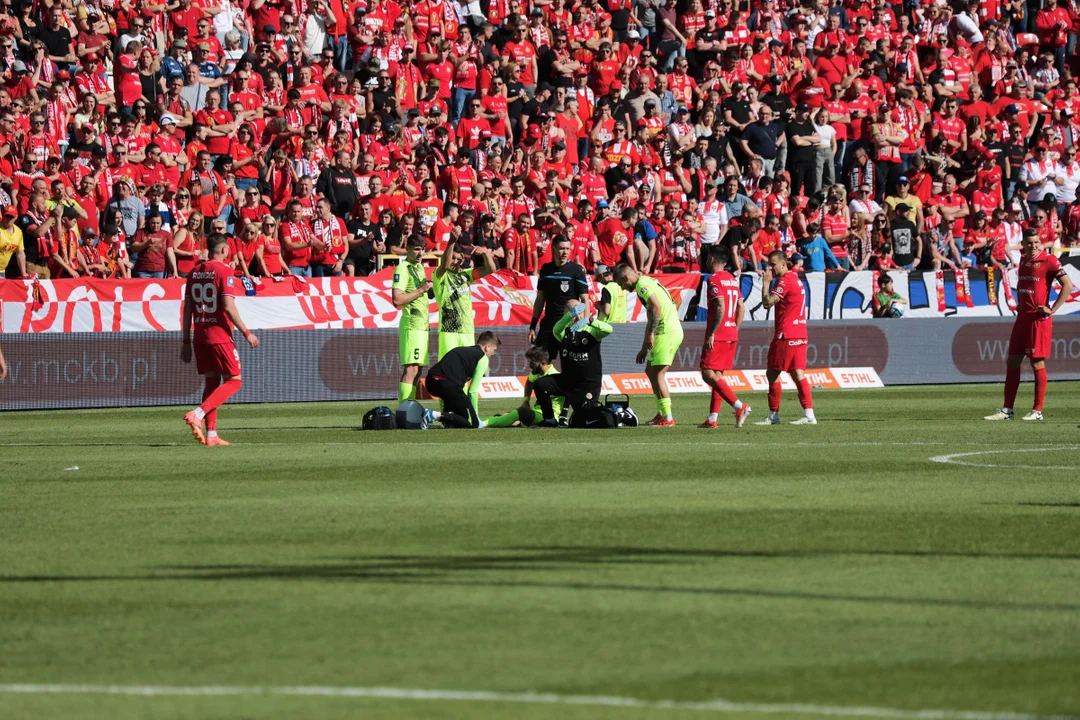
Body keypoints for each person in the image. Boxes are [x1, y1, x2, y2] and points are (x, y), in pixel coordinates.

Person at [985, 229, 1074, 421]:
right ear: (1023, 244)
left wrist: (1053, 309)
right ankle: (1007, 410)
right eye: (1030, 242)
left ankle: (1037, 410)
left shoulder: (1049, 260)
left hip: (1037, 320)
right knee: (1013, 361)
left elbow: (1068, 285)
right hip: (1022, 319)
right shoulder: (1024, 260)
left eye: (1036, 242)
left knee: (1036, 362)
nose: (1033, 246)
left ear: (1040, 242)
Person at [181, 233, 260, 446]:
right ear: (224, 250)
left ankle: (212, 435)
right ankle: (198, 413)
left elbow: (187, 308)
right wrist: (247, 332)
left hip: (200, 335)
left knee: (212, 381)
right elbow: (228, 306)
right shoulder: (225, 271)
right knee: (234, 381)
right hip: (219, 335)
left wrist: (186, 341)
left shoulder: (194, 272)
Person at [613, 263, 684, 426]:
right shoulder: (647, 280)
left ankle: (668, 418)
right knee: (650, 371)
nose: (622, 288)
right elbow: (671, 303)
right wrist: (645, 346)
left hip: (666, 332)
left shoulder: (642, 285)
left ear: (625, 277)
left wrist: (653, 333)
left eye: (621, 284)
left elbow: (656, 307)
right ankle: (661, 413)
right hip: (667, 331)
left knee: (658, 374)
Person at [755, 250, 816, 425]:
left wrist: (766, 284)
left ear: (784, 263)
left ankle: (773, 415)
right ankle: (809, 414)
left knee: (772, 373)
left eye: (773, 264)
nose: (770, 268)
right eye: (769, 265)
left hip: (786, 334)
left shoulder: (784, 280)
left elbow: (768, 303)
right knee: (798, 374)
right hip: (800, 333)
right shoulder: (796, 279)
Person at [533, 301, 613, 427]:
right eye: (573, 312)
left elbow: (609, 329)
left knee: (584, 418)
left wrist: (590, 321)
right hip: (568, 380)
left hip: (588, 384)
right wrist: (570, 316)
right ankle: (549, 419)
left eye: (579, 312)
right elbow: (556, 329)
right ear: (566, 313)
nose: (578, 316)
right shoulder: (564, 332)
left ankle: (621, 415)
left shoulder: (592, 330)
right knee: (540, 384)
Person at [699, 245, 751, 428]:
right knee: (717, 375)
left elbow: (719, 305)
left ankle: (739, 406)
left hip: (719, 333)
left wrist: (712, 333)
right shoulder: (731, 279)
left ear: (712, 259)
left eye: (707, 258)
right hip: (731, 333)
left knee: (707, 373)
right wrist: (734, 329)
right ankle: (712, 419)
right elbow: (741, 307)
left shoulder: (714, 279)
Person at [527, 235, 590, 363]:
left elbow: (585, 300)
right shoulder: (546, 269)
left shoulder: (576, 270)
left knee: (570, 365)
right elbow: (540, 300)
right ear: (554, 249)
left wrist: (585, 326)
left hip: (568, 325)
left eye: (567, 248)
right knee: (539, 362)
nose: (565, 252)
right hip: (549, 324)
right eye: (561, 248)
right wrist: (533, 326)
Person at [434, 238, 497, 359]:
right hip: (449, 331)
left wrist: (485, 253)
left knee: (466, 370)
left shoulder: (466, 274)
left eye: (459, 259)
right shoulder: (440, 274)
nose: (455, 261)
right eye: (453, 258)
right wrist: (452, 241)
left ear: (463, 260)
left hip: (467, 330)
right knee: (448, 368)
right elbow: (445, 264)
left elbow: (491, 270)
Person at [424, 331, 501, 429]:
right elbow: (472, 391)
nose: (493, 354)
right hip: (447, 384)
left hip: (431, 382)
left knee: (456, 408)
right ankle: (433, 415)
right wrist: (476, 416)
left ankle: (448, 422)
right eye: (494, 350)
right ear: (487, 347)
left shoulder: (465, 351)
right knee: (473, 423)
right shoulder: (483, 358)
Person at [392, 235, 433, 403]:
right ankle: (403, 410)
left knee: (418, 370)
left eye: (422, 249)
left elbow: (423, 293)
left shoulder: (419, 268)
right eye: (416, 249)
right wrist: (422, 290)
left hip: (422, 327)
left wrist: (430, 289)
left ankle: (410, 407)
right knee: (411, 370)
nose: (420, 253)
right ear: (407, 249)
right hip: (411, 326)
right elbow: (397, 299)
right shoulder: (403, 268)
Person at [481, 345, 563, 428]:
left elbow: (568, 394)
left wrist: (564, 417)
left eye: (533, 362)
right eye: (529, 362)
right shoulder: (536, 372)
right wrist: (526, 400)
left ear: (543, 363)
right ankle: (478, 421)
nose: (530, 365)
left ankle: (484, 423)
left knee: (521, 412)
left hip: (548, 418)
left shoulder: (555, 377)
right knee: (507, 415)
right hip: (536, 412)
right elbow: (529, 382)